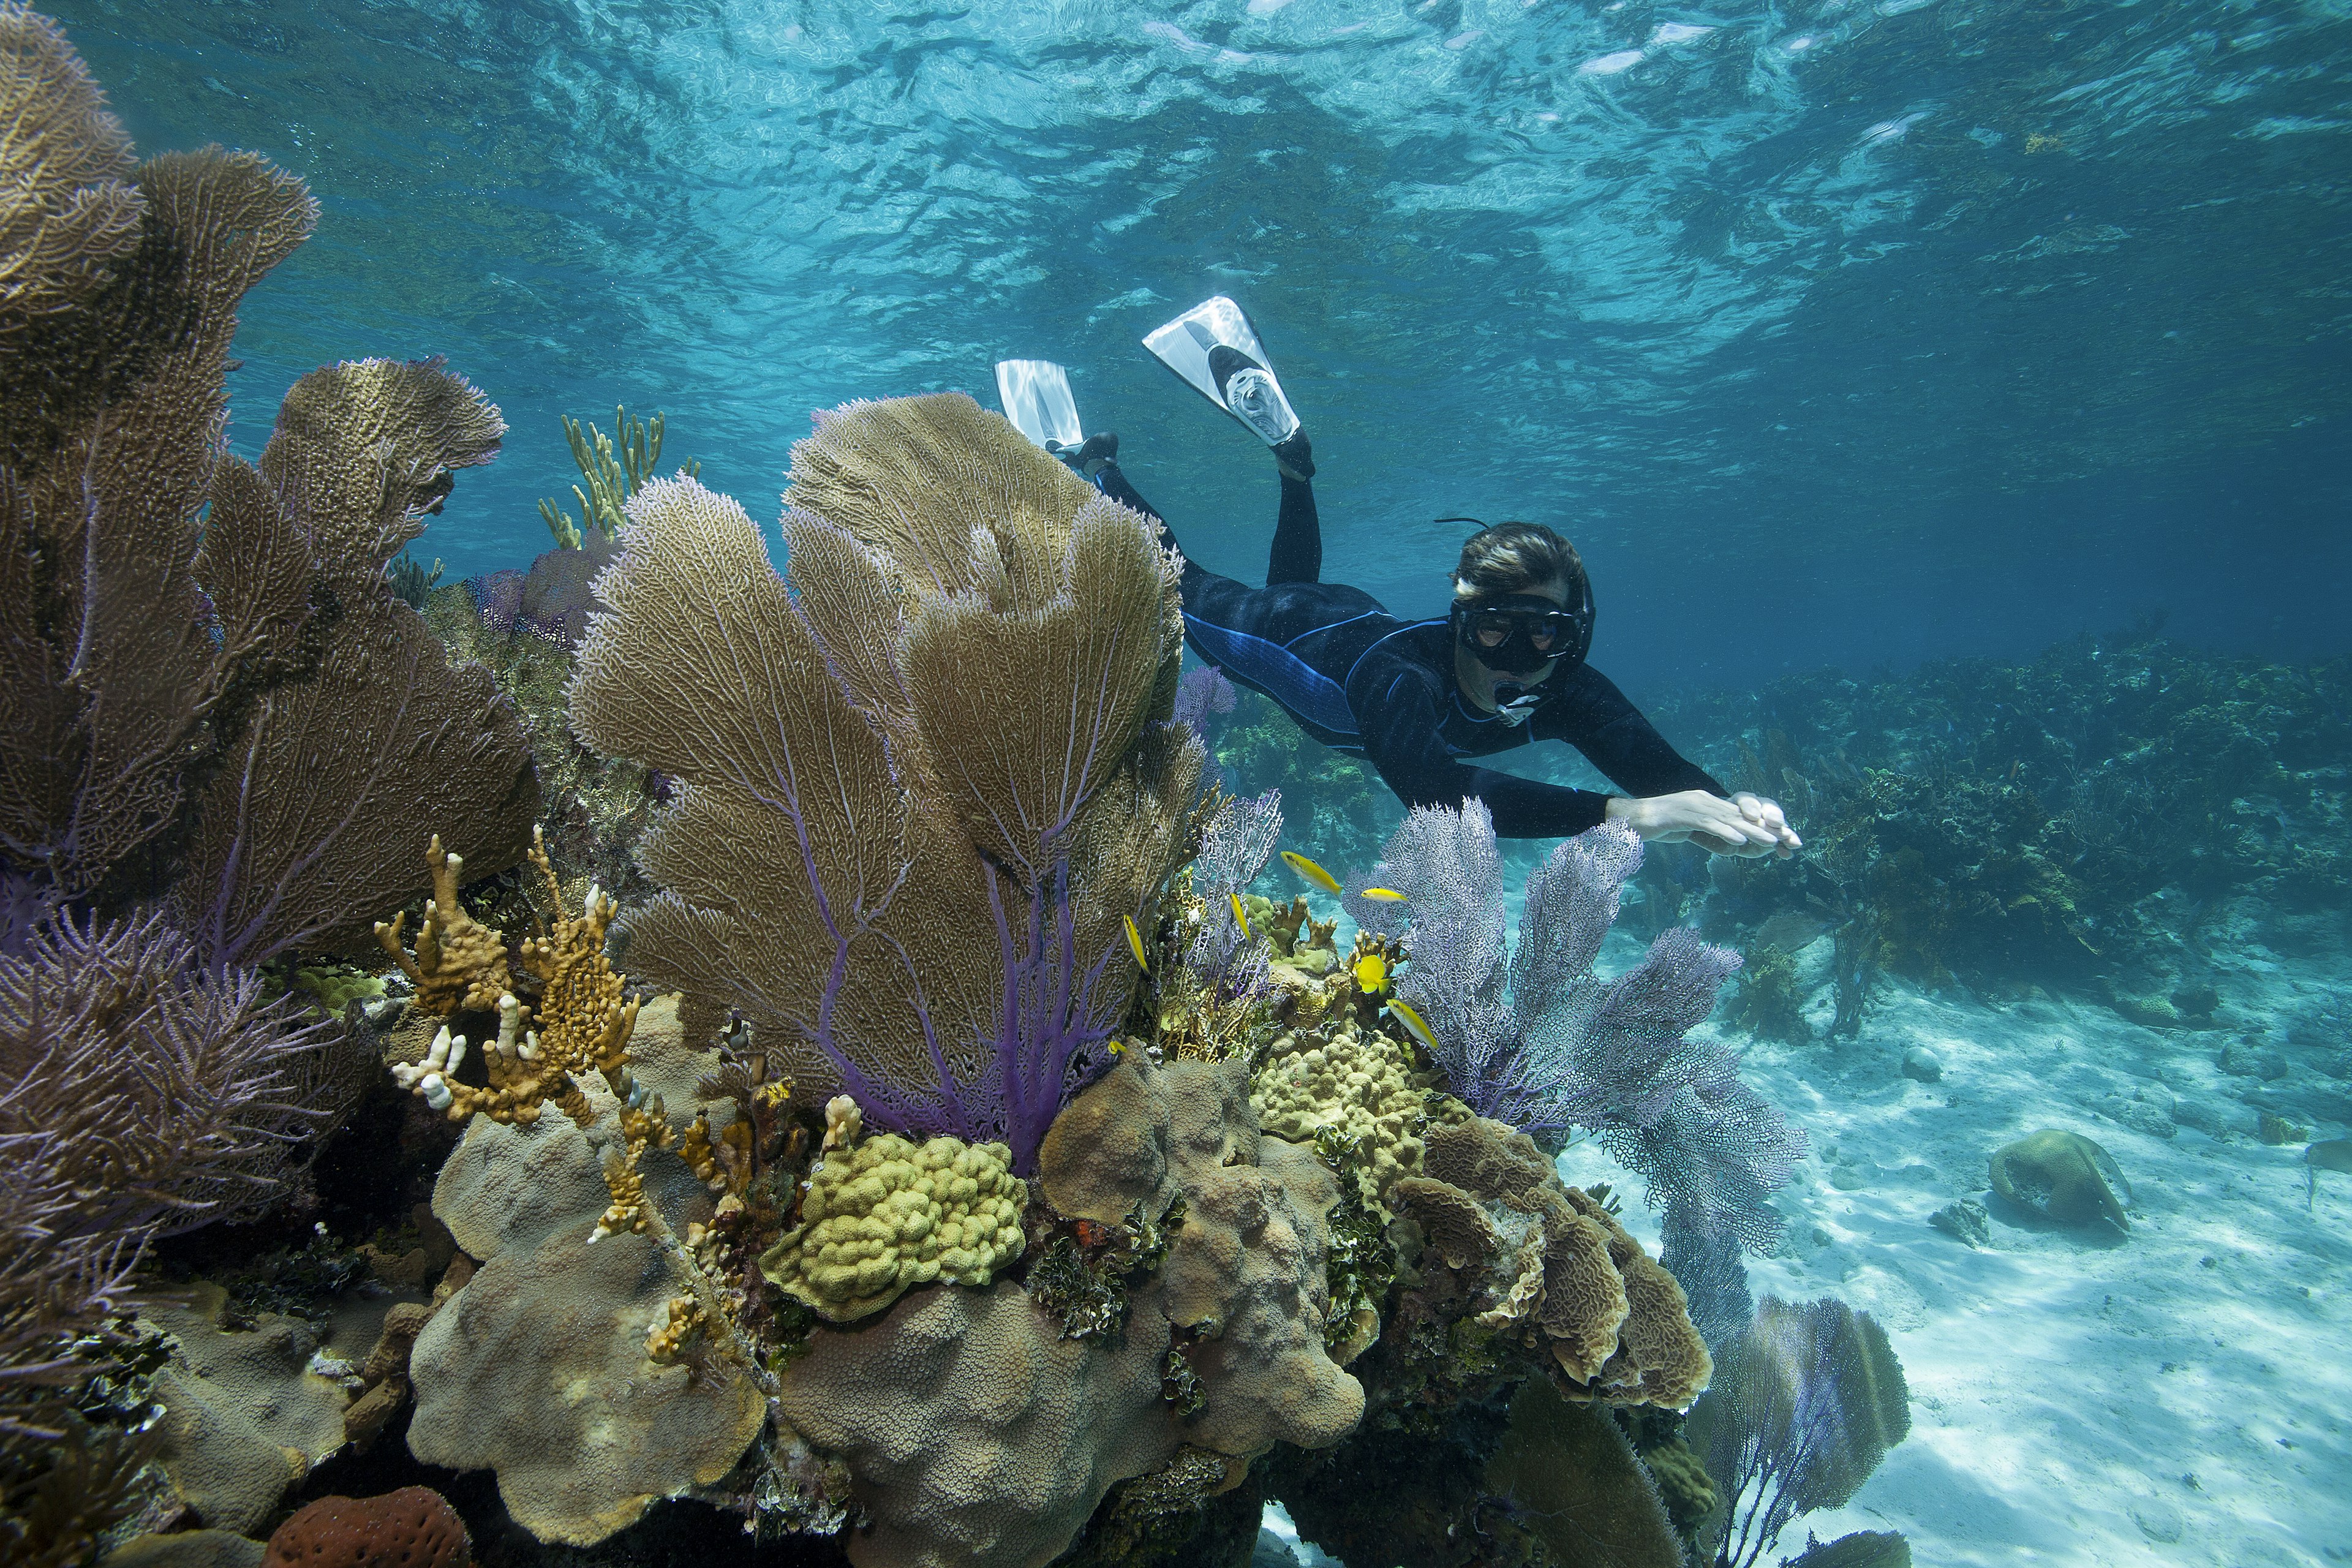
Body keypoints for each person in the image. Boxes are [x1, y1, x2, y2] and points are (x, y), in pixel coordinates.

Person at [1053, 429, 1798, 856]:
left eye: (1543, 631)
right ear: (1460, 619)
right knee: (1175, 579)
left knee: (1296, 580)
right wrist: (1619, 815)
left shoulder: (1568, 690)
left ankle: (1292, 467)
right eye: (1494, 627)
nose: (1514, 655)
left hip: (1349, 612)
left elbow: (1660, 772)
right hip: (1283, 636)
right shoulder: (1400, 682)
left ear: (1575, 634)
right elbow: (1438, 795)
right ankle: (1099, 464)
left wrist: (1724, 802)